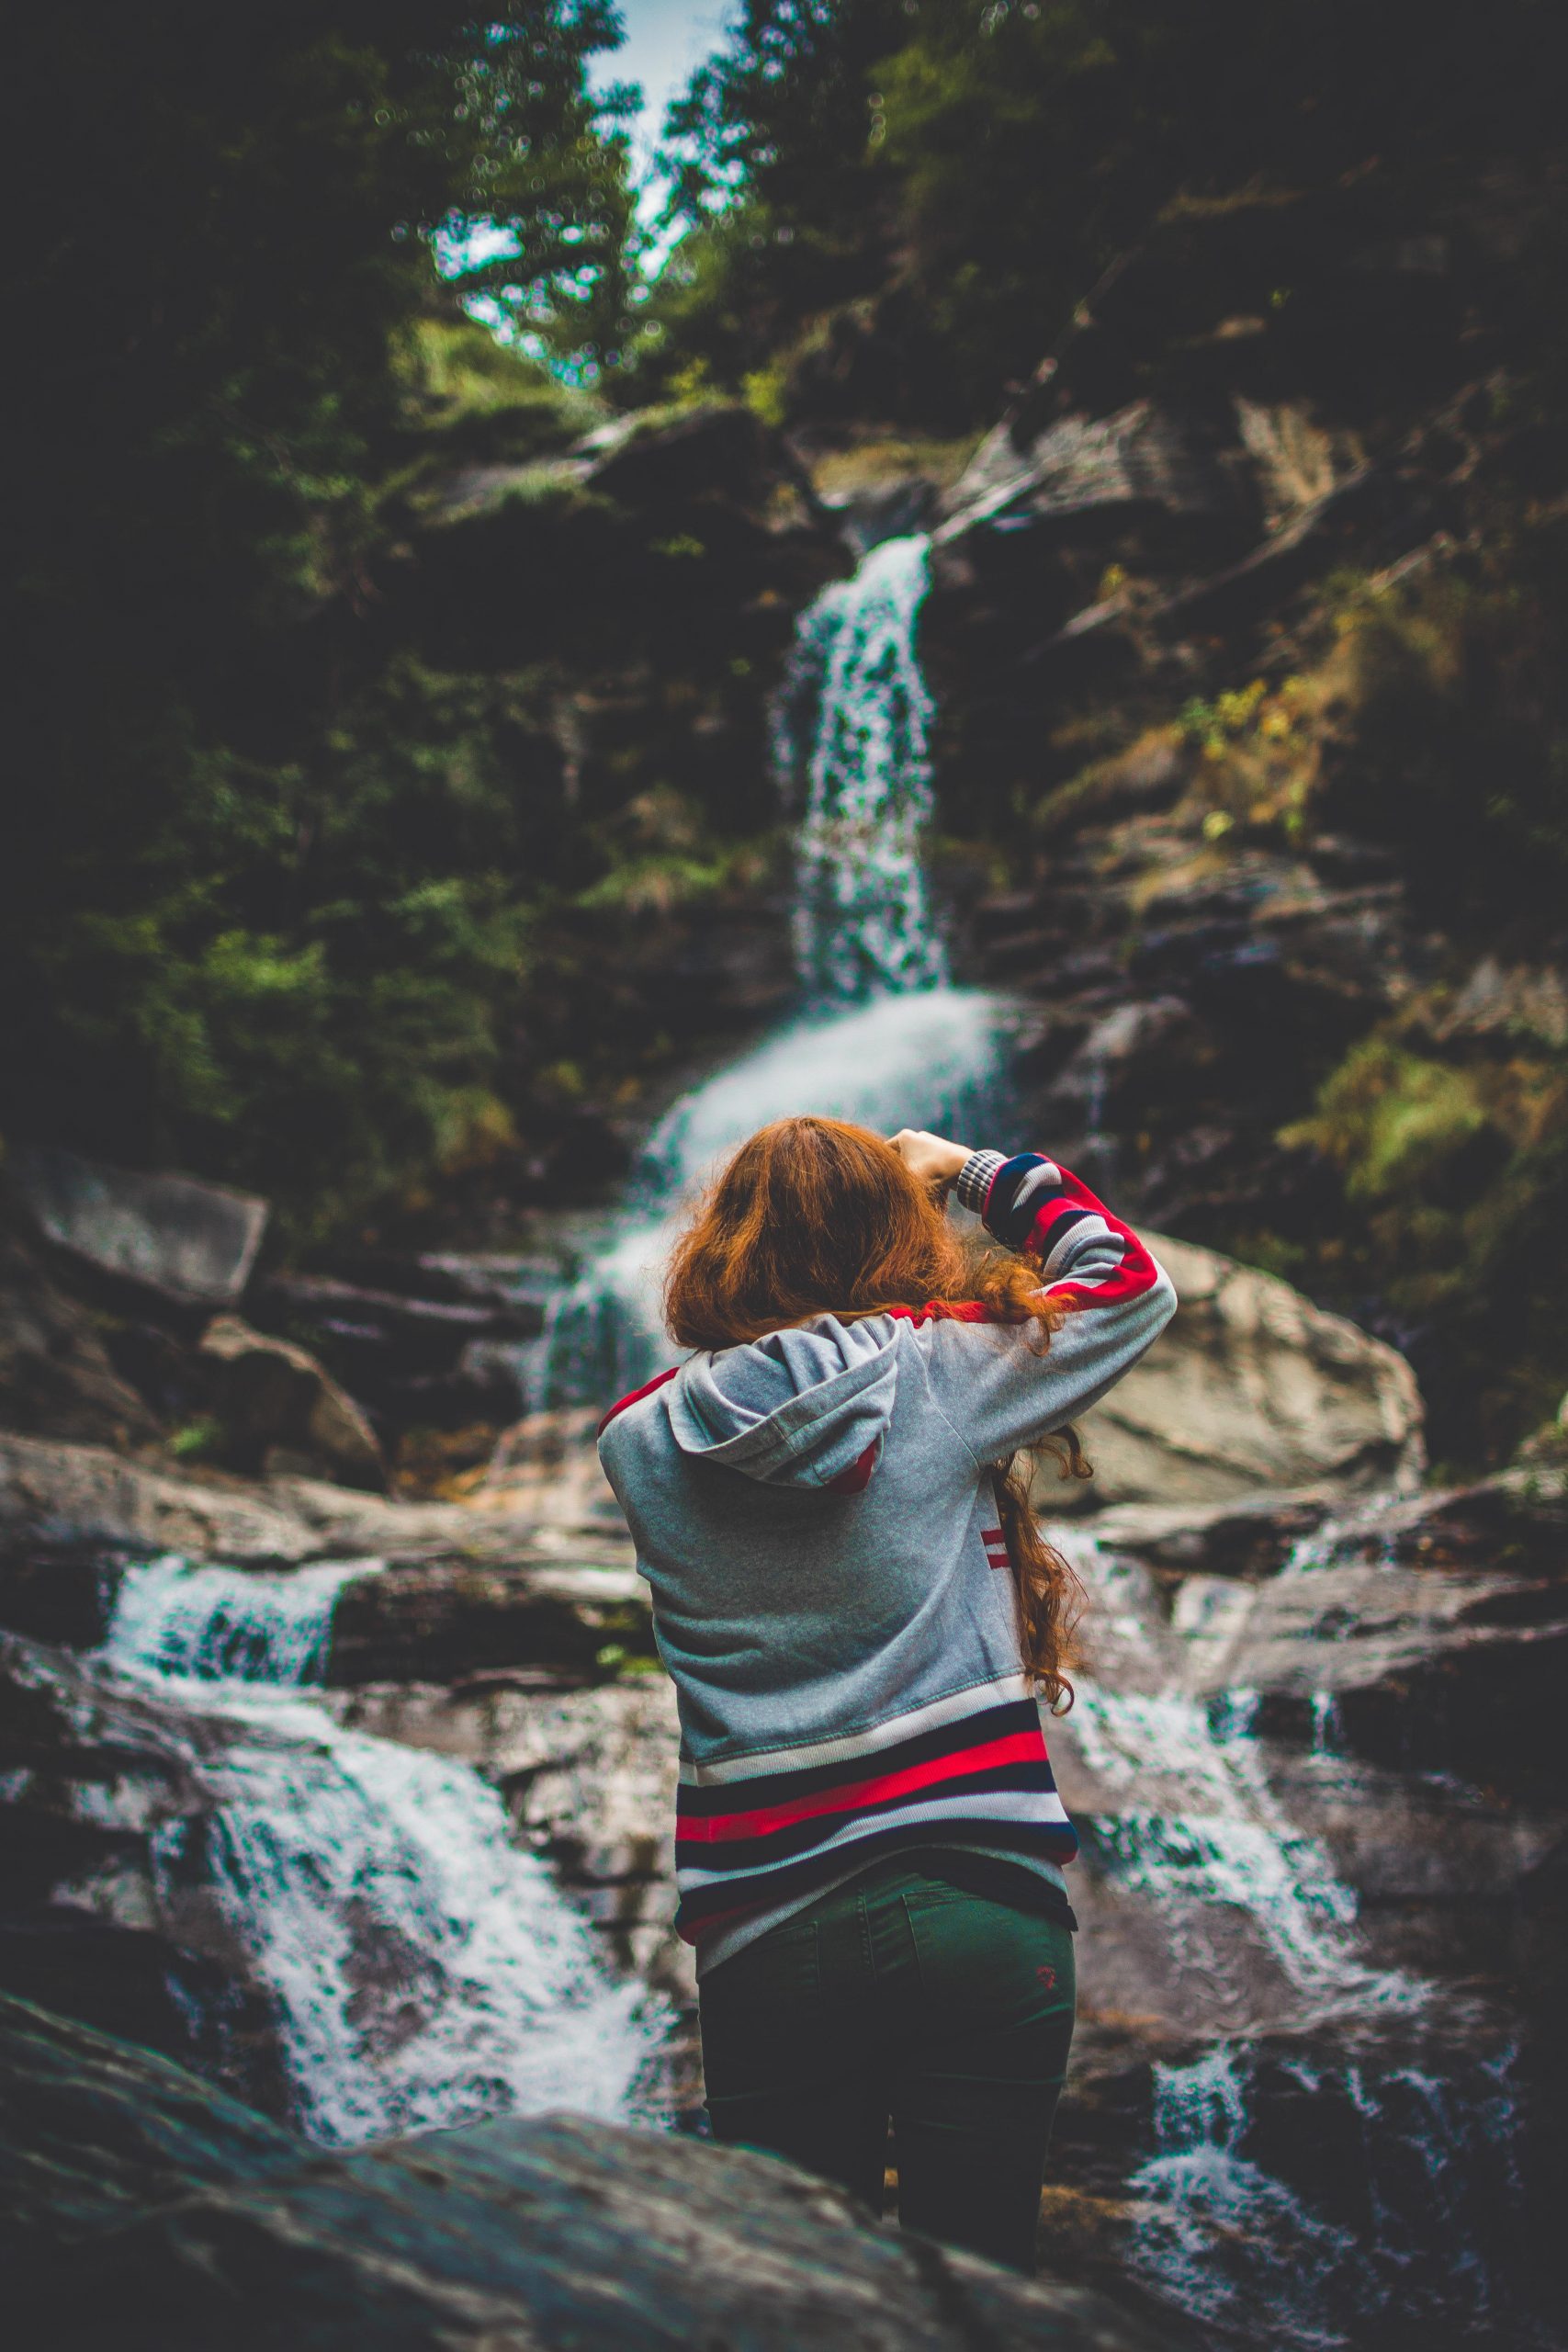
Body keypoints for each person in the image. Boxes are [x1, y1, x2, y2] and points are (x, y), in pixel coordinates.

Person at [597, 1119, 1176, 2272]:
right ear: (898, 1236)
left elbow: (736, 1381)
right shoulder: (938, 1366)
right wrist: (963, 1172)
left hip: (764, 1926)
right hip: (977, 1895)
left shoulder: (639, 1438)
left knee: (810, 2294)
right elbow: (1129, 1283)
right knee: (985, 2279)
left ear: (719, 1247)